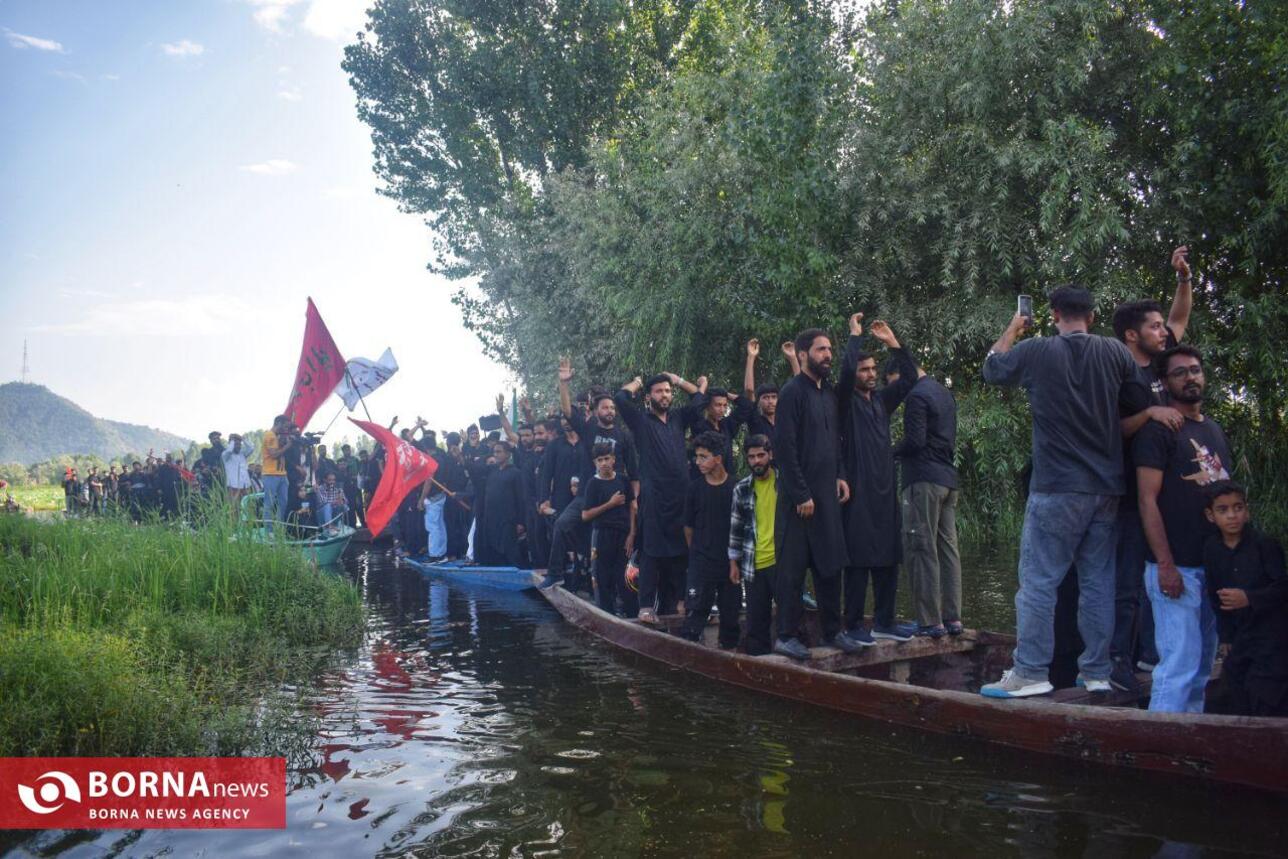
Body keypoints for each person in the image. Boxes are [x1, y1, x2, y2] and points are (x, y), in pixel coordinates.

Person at [980, 285, 1137, 698]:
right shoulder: (1116, 352)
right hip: (1106, 488)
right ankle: (1097, 671)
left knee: (1038, 583)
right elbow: (1135, 395)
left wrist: (1013, 329)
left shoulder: (1037, 350)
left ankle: (1030, 671)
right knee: (1098, 583)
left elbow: (993, 369)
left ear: (1053, 315)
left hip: (1056, 487)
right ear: (1093, 315)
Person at [1108, 244, 1196, 688]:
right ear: (1131, 335)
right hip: (1127, 493)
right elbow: (1112, 431)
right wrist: (1150, 414)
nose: (1164, 332)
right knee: (1126, 581)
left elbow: (1180, 319)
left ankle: (1150, 655)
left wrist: (1182, 278)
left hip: (1165, 493)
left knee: (1159, 574)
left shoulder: (1164, 364)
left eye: (1162, 326)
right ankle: (1118, 660)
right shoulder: (1119, 372)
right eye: (1154, 327)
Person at [1135, 344, 1231, 713]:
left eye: (1195, 370)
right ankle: (1159, 746)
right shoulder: (1158, 432)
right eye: (1180, 372)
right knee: (1178, 665)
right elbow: (1147, 500)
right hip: (1177, 569)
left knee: (1204, 666)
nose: (1190, 377)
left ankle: (1189, 742)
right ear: (1164, 382)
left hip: (1212, 567)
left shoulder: (1214, 430)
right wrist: (1165, 565)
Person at [837, 314, 918, 644]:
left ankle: (885, 620)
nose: (870, 375)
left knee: (888, 557)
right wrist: (854, 337)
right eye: (864, 370)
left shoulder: (882, 401)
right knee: (857, 561)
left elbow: (911, 378)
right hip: (856, 491)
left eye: (873, 369)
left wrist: (893, 343)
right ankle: (854, 624)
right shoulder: (842, 401)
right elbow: (842, 376)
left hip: (885, 491)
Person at [773, 328, 853, 660]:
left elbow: (834, 442)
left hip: (826, 496)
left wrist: (840, 475)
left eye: (830, 349)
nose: (828, 355)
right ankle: (786, 635)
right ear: (803, 354)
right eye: (821, 350)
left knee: (830, 567)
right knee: (792, 572)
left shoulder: (827, 394)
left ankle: (833, 631)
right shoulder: (792, 392)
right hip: (799, 502)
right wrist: (801, 494)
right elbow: (785, 448)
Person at [1201, 481, 1288, 717]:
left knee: (1267, 695)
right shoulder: (1212, 549)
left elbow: (1282, 588)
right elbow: (1214, 594)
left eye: (1238, 508)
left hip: (1272, 637)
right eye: (1223, 510)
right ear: (1211, 515)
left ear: (1246, 510)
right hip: (1240, 637)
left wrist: (1249, 598)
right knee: (1236, 693)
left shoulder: (1264, 545)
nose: (1232, 516)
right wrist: (1226, 634)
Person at [615, 372, 695, 623]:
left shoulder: (679, 418)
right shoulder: (641, 421)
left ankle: (684, 603)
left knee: (683, 551)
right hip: (654, 498)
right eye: (659, 391)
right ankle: (646, 607)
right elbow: (620, 397)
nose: (665, 395)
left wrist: (679, 380)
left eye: (668, 391)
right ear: (649, 397)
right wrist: (638, 382)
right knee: (651, 552)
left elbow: (699, 397)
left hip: (681, 497)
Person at [894, 358, 963, 638]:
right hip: (948, 481)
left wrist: (888, 452)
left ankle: (929, 621)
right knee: (948, 549)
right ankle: (953, 619)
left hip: (923, 480)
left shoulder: (917, 396)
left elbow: (915, 441)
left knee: (921, 547)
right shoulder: (944, 394)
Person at [680, 431, 740, 647]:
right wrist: (697, 554)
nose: (698, 462)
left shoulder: (736, 487)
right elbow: (688, 528)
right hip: (701, 561)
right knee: (695, 613)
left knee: (731, 617)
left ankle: (730, 657)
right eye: (697, 456)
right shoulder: (694, 488)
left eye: (703, 456)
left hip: (730, 564)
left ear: (718, 458)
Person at [728, 434, 780, 655]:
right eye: (751, 457)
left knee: (790, 617)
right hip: (753, 564)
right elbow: (736, 528)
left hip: (783, 562)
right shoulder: (742, 488)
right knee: (756, 623)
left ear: (770, 455)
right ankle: (760, 666)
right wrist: (733, 563)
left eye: (761, 455)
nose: (757, 461)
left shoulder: (785, 483)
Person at [581, 442, 637, 615]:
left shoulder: (623, 480)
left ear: (613, 459)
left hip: (623, 535)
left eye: (607, 458)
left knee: (625, 577)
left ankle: (632, 614)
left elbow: (633, 507)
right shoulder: (593, 484)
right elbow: (585, 515)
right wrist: (610, 504)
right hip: (602, 534)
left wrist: (632, 533)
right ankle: (605, 614)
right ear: (595, 463)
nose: (604, 463)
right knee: (601, 577)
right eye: (600, 460)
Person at [480, 440, 528, 567]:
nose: (495, 455)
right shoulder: (491, 471)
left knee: (509, 549)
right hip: (491, 518)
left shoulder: (515, 473)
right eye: (494, 452)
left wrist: (520, 522)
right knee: (493, 548)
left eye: (499, 452)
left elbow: (521, 498)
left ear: (507, 454)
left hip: (508, 519)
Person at [743, 339, 799, 445]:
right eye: (765, 397)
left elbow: (801, 388)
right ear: (759, 401)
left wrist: (793, 358)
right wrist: (751, 357)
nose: (770, 401)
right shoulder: (755, 421)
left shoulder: (786, 420)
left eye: (774, 397)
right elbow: (749, 390)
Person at [261, 415, 297, 530]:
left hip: (282, 474)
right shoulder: (269, 435)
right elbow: (274, 454)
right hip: (270, 474)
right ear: (279, 423)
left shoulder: (277, 437)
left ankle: (279, 528)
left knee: (283, 503)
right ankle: (269, 531)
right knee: (269, 504)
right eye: (285, 426)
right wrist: (288, 445)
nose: (286, 429)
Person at [222, 433, 253, 522]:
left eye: (239, 445)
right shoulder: (225, 455)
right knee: (234, 510)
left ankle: (247, 529)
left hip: (245, 486)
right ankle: (235, 531)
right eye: (236, 444)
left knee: (248, 509)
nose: (238, 446)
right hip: (233, 486)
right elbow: (229, 451)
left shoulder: (242, 454)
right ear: (231, 444)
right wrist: (232, 440)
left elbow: (251, 448)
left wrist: (242, 439)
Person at [337, 444, 362, 527]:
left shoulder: (355, 460)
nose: (347, 451)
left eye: (348, 449)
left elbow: (360, 472)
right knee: (347, 512)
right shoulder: (337, 475)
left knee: (358, 508)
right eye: (345, 450)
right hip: (343, 496)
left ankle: (361, 525)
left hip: (355, 490)